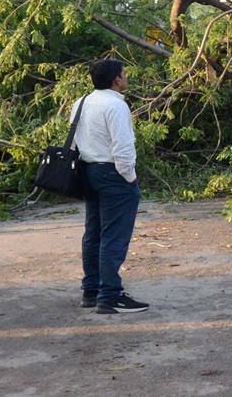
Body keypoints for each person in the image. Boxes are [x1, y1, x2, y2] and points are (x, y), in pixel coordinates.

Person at [72, 58, 149, 314]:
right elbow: (124, 148)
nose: (126, 77)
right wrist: (130, 178)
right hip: (112, 173)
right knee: (114, 235)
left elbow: (76, 141)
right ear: (117, 79)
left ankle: (91, 291)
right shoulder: (116, 107)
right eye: (124, 73)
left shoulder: (81, 103)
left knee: (94, 233)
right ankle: (110, 296)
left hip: (88, 170)